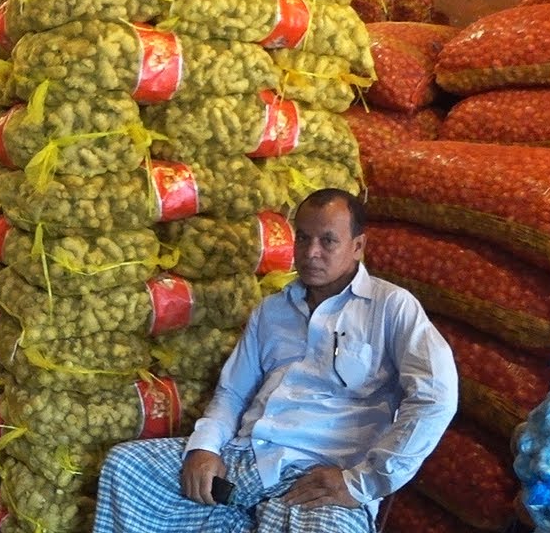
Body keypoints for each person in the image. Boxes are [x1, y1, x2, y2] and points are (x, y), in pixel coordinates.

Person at [93, 188, 458, 533]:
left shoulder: (390, 308)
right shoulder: (272, 311)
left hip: (320, 479)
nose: (311, 251)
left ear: (358, 246)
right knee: (126, 467)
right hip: (245, 458)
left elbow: (435, 396)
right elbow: (233, 393)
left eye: (328, 241)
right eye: (303, 238)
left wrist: (362, 482)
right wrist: (204, 447)